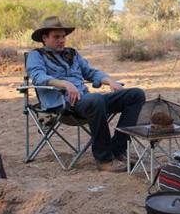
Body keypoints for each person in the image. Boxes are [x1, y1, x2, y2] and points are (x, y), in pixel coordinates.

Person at [26, 16, 145, 172]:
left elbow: (90, 72)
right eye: (56, 37)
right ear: (44, 38)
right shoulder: (36, 55)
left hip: (86, 100)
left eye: (63, 37)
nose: (61, 40)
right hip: (62, 104)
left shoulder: (72, 53)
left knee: (136, 95)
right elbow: (38, 77)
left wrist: (109, 81)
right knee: (95, 100)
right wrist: (65, 84)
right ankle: (104, 160)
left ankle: (117, 149)